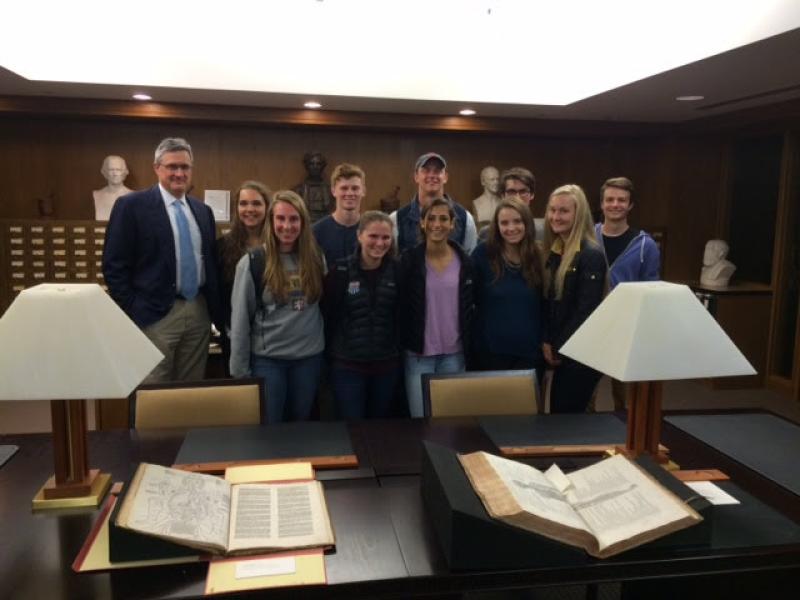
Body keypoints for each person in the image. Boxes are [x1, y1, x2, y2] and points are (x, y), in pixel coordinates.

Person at [103, 137, 221, 383]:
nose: (179, 173)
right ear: (157, 168)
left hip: (197, 310)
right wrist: (135, 309)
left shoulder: (202, 211)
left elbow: (209, 261)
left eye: (185, 167)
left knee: (191, 389)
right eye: (172, 167)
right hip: (154, 314)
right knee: (153, 392)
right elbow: (114, 266)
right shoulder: (131, 206)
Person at [229, 190, 325, 423]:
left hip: (308, 359)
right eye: (280, 219)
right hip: (269, 360)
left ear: (303, 222)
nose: (287, 226)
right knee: (269, 428)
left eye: (294, 219)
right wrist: (239, 372)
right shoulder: (253, 262)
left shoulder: (316, 258)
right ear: (271, 222)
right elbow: (240, 320)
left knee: (300, 425)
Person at [399, 198, 475, 418]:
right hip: (418, 354)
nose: (437, 224)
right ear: (422, 223)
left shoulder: (466, 262)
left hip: (454, 354)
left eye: (443, 219)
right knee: (420, 421)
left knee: (450, 421)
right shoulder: (409, 261)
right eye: (431, 218)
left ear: (452, 224)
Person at [322, 211, 401, 419]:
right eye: (373, 236)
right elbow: (328, 316)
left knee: (381, 428)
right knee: (352, 428)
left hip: (386, 365)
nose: (379, 242)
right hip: (348, 366)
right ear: (359, 236)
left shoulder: (398, 270)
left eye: (385, 237)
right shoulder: (339, 271)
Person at [594, 176, 660, 410]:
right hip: (592, 324)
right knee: (586, 388)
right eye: (610, 199)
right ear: (601, 204)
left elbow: (651, 292)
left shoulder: (646, 246)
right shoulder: (588, 238)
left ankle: (625, 436)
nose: (615, 204)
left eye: (622, 200)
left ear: (630, 205)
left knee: (624, 392)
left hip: (626, 327)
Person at [542, 184, 606, 413]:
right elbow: (552, 303)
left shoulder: (590, 254)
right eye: (552, 210)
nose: (555, 217)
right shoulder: (556, 250)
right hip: (561, 349)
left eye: (563, 211)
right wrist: (547, 340)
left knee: (567, 421)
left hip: (578, 355)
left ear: (579, 215)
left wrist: (558, 347)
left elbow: (585, 311)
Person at [471, 197, 545, 374]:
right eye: (504, 223)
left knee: (527, 403)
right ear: (497, 227)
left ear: (527, 223)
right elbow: (468, 300)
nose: (511, 228)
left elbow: (545, 305)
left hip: (530, 353)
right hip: (490, 352)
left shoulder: (539, 255)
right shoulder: (482, 254)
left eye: (517, 221)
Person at [216, 181, 271, 375]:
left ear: (267, 207)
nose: (250, 209)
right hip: (235, 334)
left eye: (256, 203)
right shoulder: (222, 247)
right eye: (243, 203)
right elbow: (219, 294)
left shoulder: (279, 246)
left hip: (271, 337)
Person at [391, 152, 478, 254]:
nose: (432, 175)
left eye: (437, 171)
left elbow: (470, 261)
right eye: (426, 170)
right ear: (416, 176)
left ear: (445, 177)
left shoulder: (465, 219)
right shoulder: (396, 219)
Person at [313, 163, 365, 266]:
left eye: (355, 188)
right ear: (333, 191)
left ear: (363, 191)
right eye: (344, 188)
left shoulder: (371, 230)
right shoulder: (316, 232)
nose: (350, 193)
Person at [500, 166, 544, 241]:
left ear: (532, 194)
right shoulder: (487, 234)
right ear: (502, 196)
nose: (518, 197)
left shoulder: (544, 232)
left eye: (523, 191)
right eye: (511, 192)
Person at [292, 151, 334, 223]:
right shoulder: (298, 190)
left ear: (322, 166)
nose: (315, 167)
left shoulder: (331, 190)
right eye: (312, 164)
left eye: (318, 164)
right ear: (307, 166)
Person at [93, 155, 132, 221]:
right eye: (111, 169)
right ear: (104, 172)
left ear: (125, 172)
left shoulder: (133, 196)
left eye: (118, 170)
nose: (115, 173)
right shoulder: (97, 195)